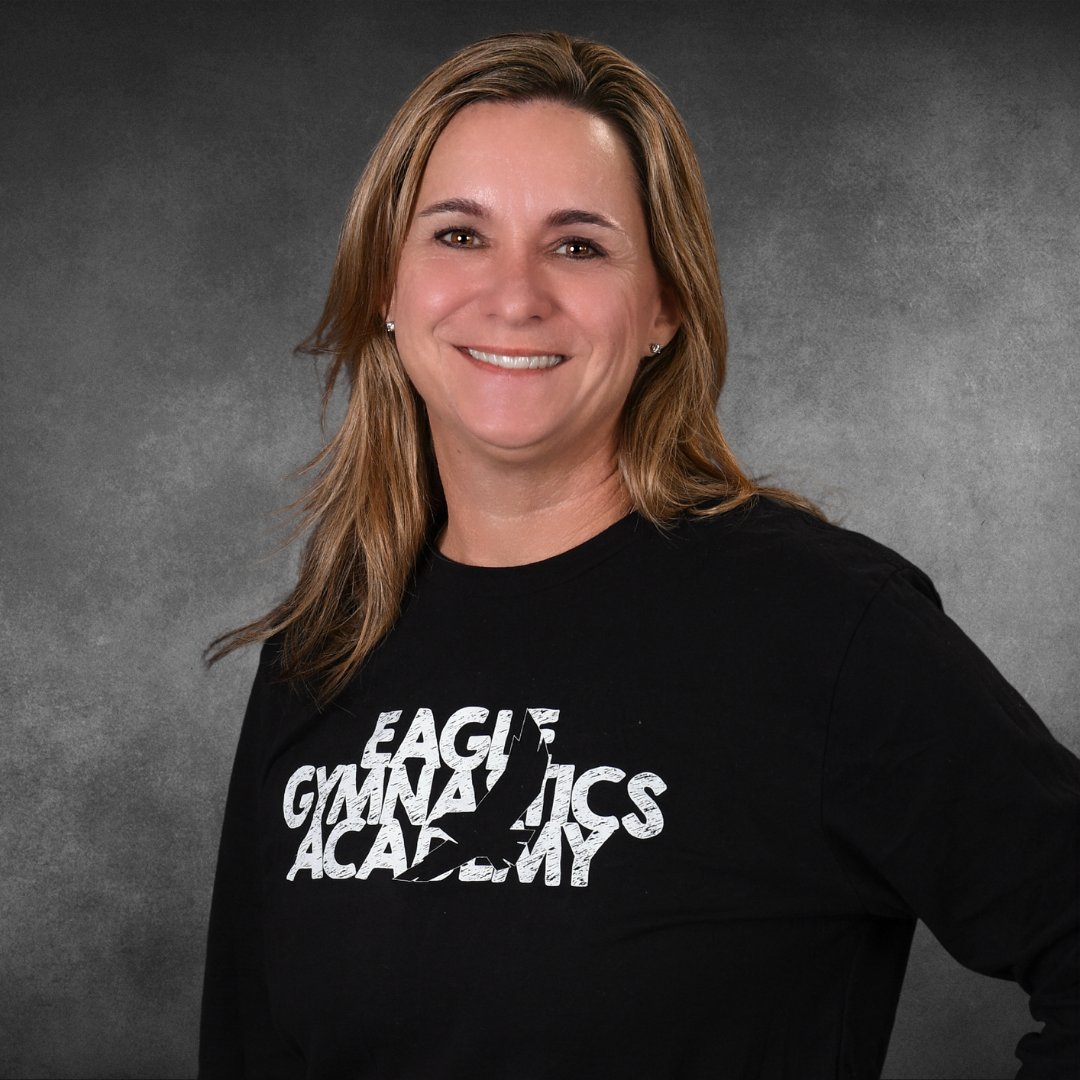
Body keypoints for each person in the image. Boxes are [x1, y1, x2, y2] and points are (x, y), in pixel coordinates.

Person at [198, 31, 1079, 1080]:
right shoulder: (322, 648)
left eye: (578, 245)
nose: (514, 295)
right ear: (386, 286)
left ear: (663, 304)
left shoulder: (823, 624)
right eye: (458, 235)